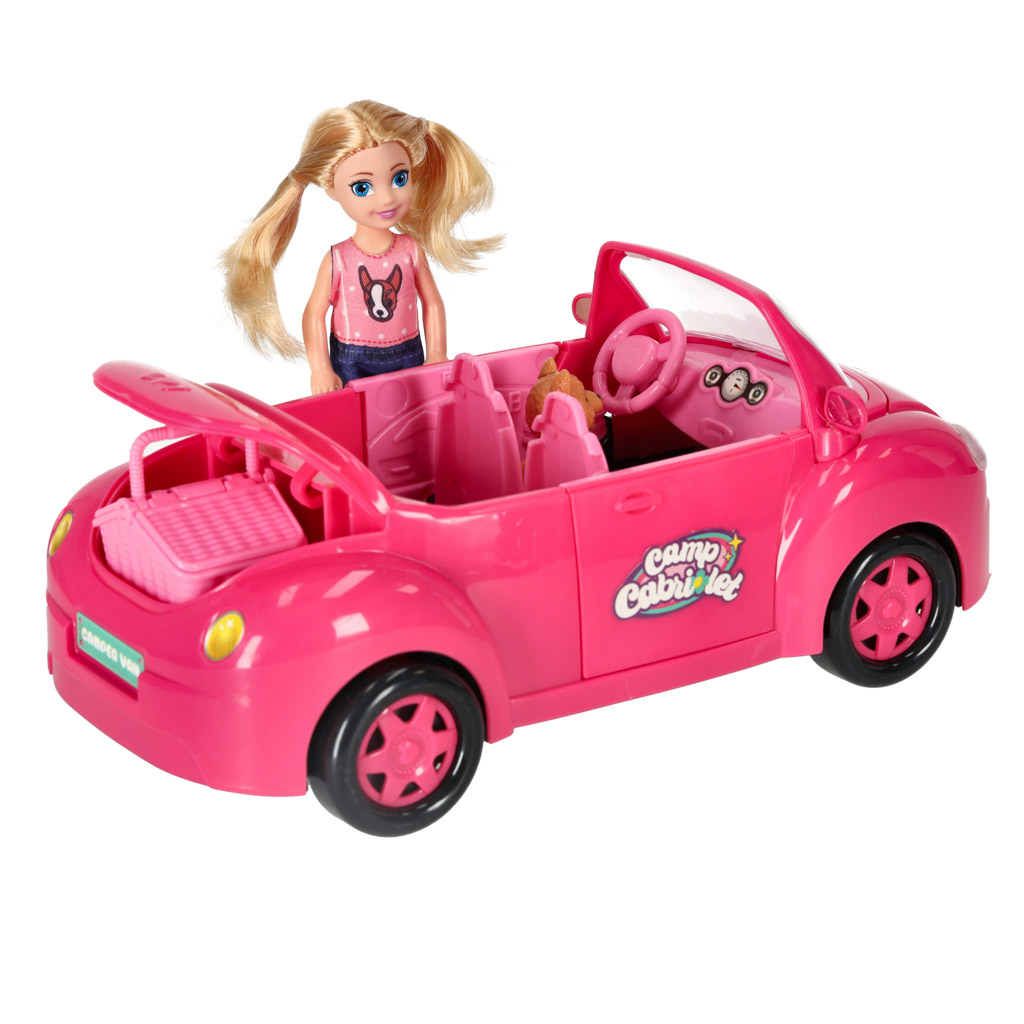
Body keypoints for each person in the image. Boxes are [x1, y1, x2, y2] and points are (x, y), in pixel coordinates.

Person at [223, 101, 501, 392]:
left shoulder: (410, 250)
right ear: (332, 190)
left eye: (399, 178)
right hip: (352, 358)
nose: (387, 198)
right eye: (362, 187)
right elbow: (314, 314)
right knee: (357, 415)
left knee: (414, 410)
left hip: (408, 352)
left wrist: (437, 352)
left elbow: (432, 301)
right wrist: (320, 368)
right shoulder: (339, 259)